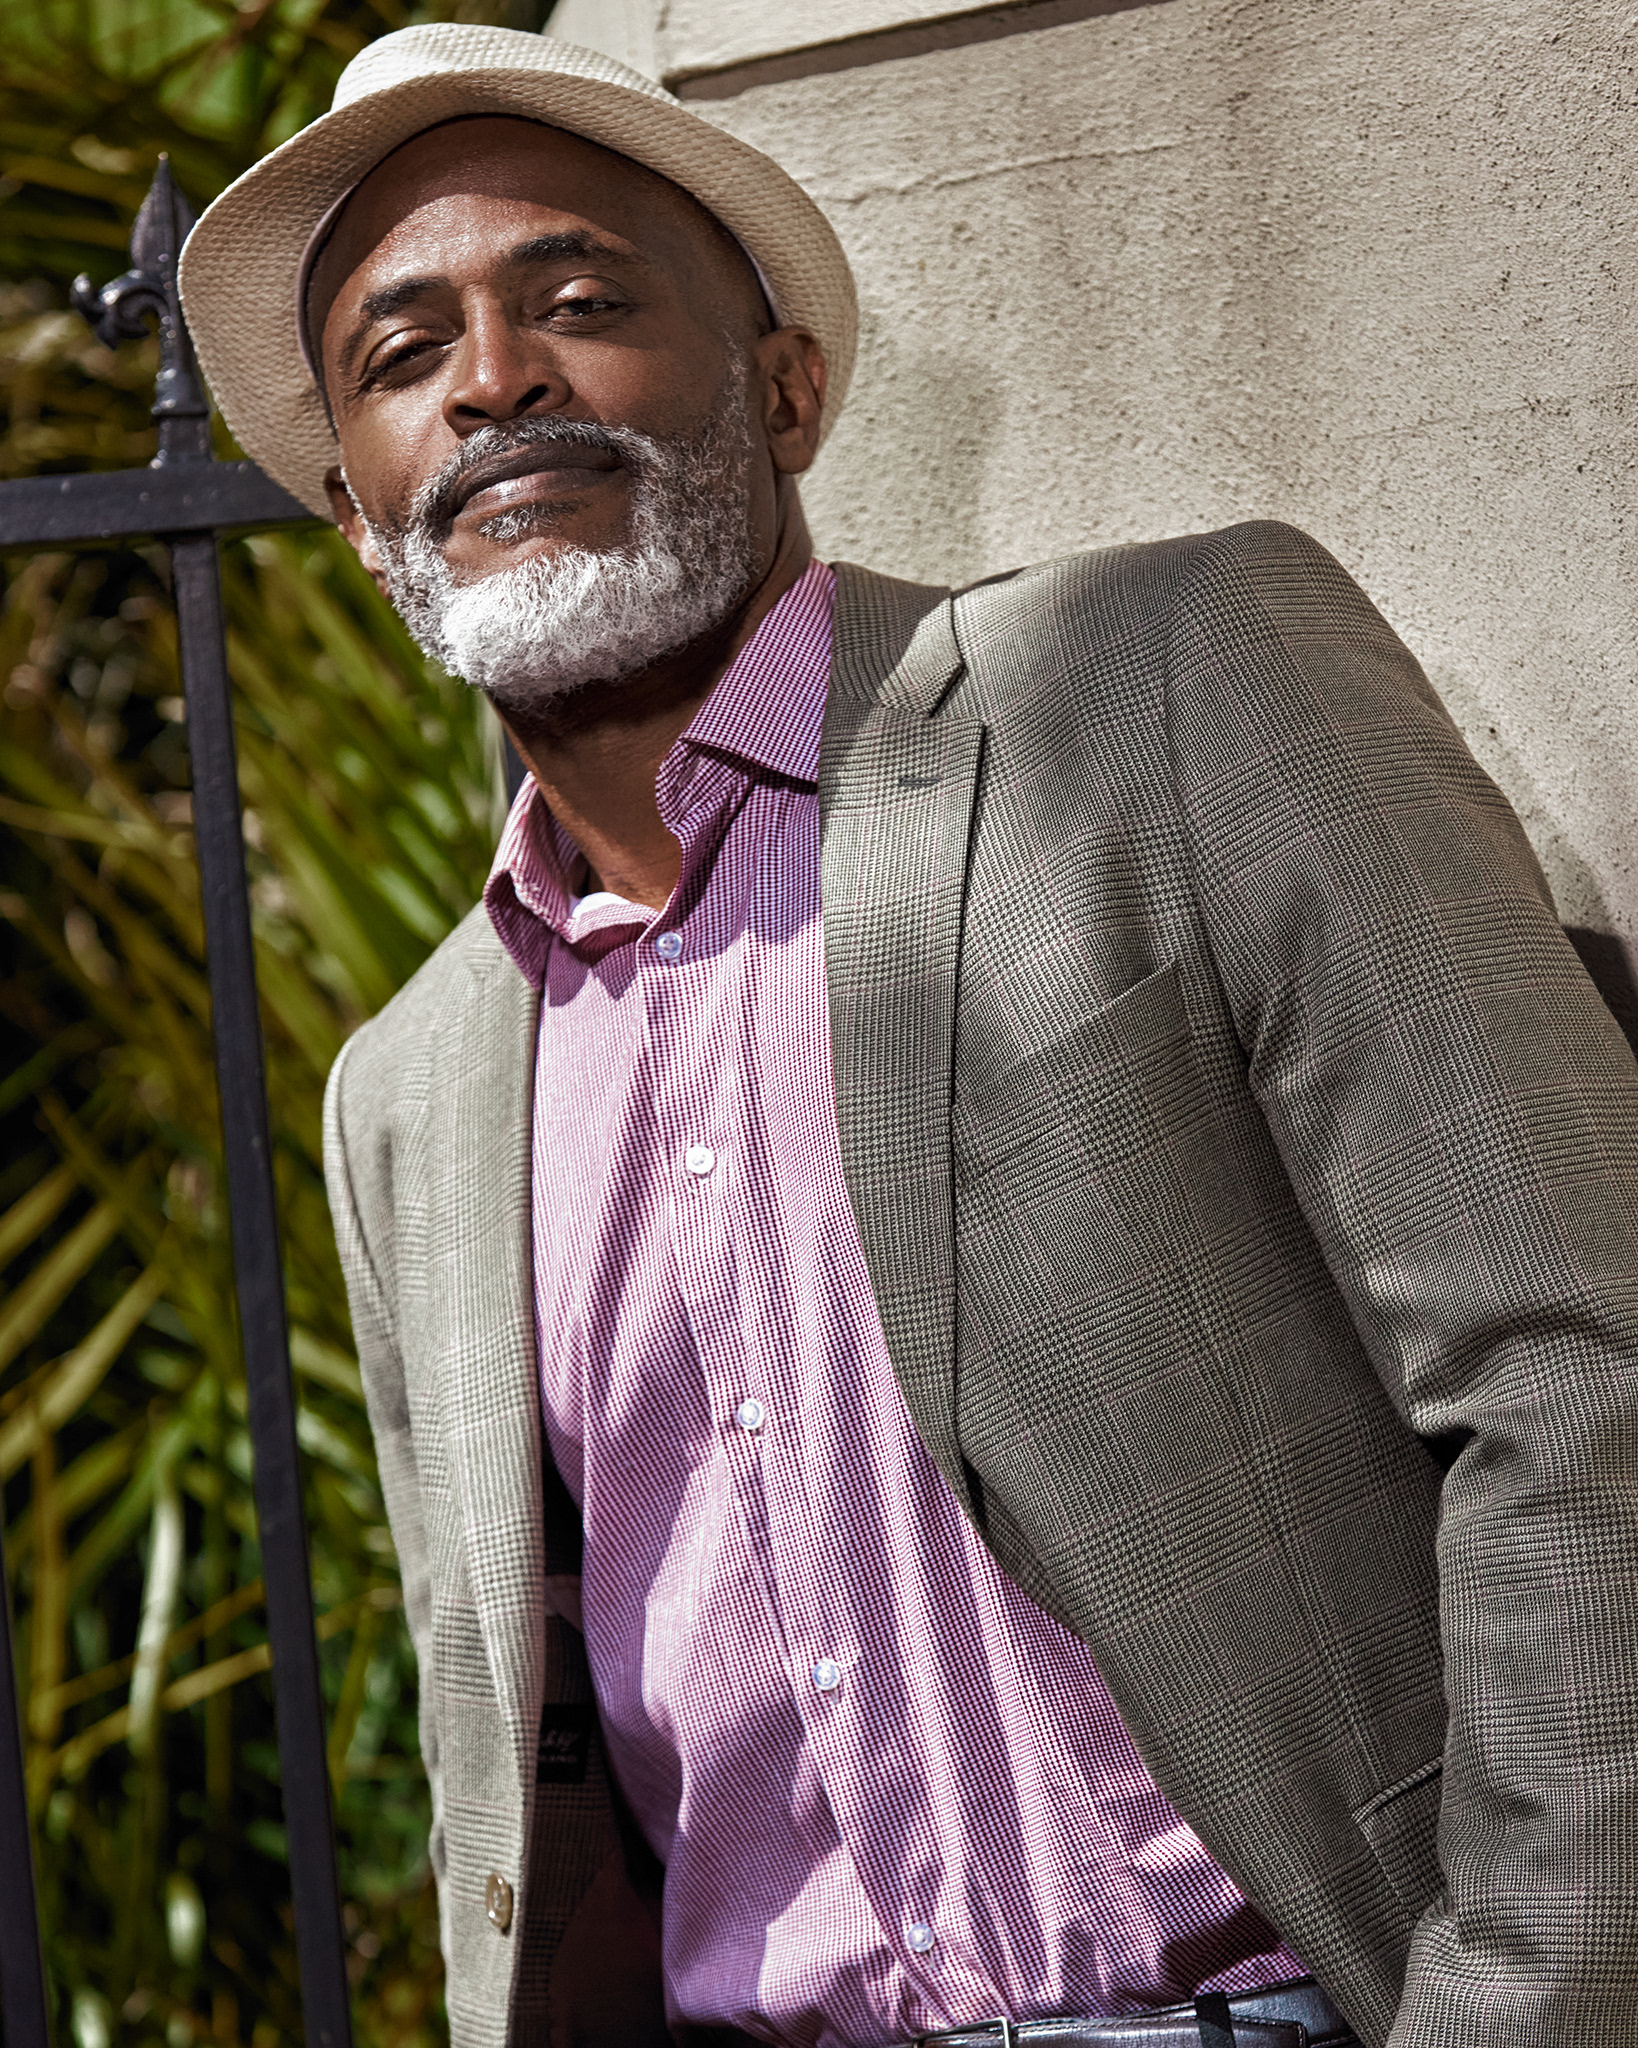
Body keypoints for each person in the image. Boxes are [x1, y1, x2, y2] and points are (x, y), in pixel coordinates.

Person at [180, 24, 1638, 2048]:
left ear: (784, 389)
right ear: (360, 513)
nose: (495, 379)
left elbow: (1576, 1367)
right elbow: (518, 1763)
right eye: (405, 353)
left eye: (580, 302)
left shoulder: (1158, 682)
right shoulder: (410, 1092)